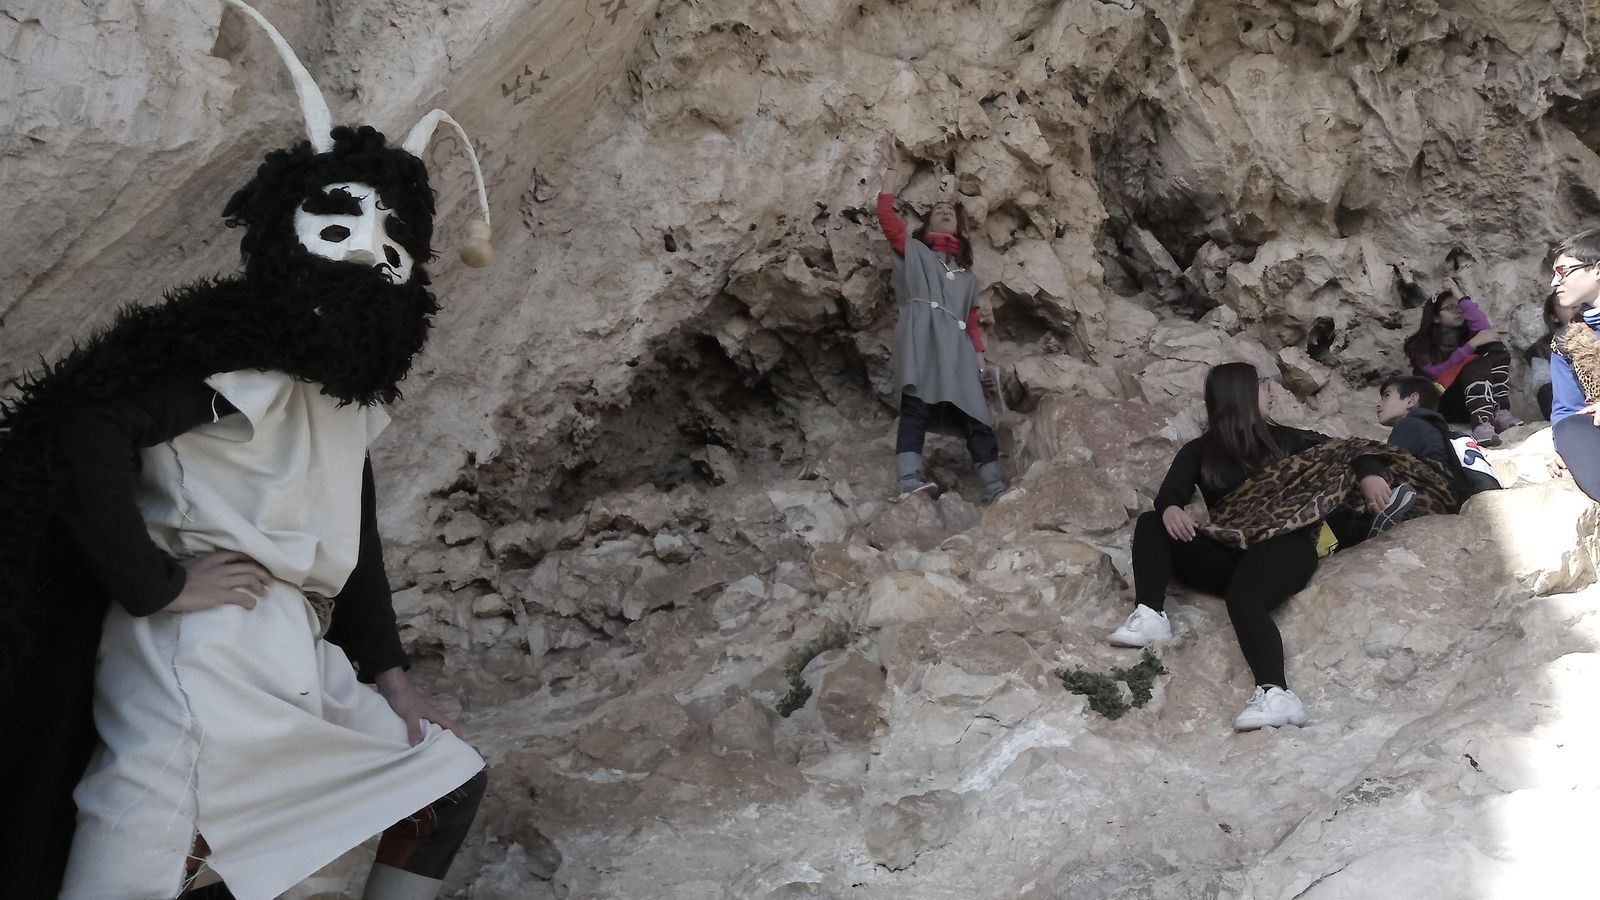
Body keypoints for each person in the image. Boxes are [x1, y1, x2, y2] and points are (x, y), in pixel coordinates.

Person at [0, 4, 493, 898]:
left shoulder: (336, 387)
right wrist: (156, 583)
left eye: (393, 247)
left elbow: (357, 528)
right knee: (144, 867)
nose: (370, 256)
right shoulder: (231, 360)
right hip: (199, 649)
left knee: (443, 784)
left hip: (290, 645)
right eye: (341, 229)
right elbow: (83, 427)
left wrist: (388, 674)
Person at [1107, 363, 1424, 731]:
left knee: (1246, 600)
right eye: (1262, 385)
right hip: (1229, 550)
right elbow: (1169, 496)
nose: (1272, 392)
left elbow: (1350, 449)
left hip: (1284, 546)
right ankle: (1150, 615)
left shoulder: (1286, 440)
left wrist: (1369, 474)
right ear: (1238, 394)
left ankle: (1276, 695)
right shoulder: (1200, 451)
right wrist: (1171, 510)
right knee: (1150, 522)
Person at [875, 131, 1006, 504]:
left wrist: (982, 368)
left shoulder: (967, 278)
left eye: (951, 212)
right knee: (916, 403)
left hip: (958, 347)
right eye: (938, 211)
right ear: (928, 224)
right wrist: (890, 169)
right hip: (921, 336)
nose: (945, 212)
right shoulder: (912, 251)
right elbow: (886, 214)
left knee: (976, 414)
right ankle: (909, 482)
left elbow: (974, 326)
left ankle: (995, 491)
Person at [1403, 278, 1521, 445]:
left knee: (1493, 346)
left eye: (1459, 307)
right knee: (1473, 363)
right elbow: (1435, 372)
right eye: (1450, 308)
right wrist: (1471, 345)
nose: (1458, 311)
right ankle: (1481, 424)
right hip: (1445, 402)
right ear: (1436, 317)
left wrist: (1459, 294)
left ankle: (1500, 411)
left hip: (1477, 401)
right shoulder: (1420, 345)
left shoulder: (1469, 336)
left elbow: (1484, 329)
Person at [1548, 228, 1600, 501]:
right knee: (1571, 429)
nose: (1554, 283)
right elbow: (1566, 412)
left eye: (1563, 271)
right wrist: (1569, 447)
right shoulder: (1566, 340)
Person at [1526, 292, 1575, 421]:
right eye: (1564, 303)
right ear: (1554, 317)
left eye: (1576, 301)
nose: (1574, 306)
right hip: (1570, 407)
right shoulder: (1543, 348)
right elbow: (1543, 386)